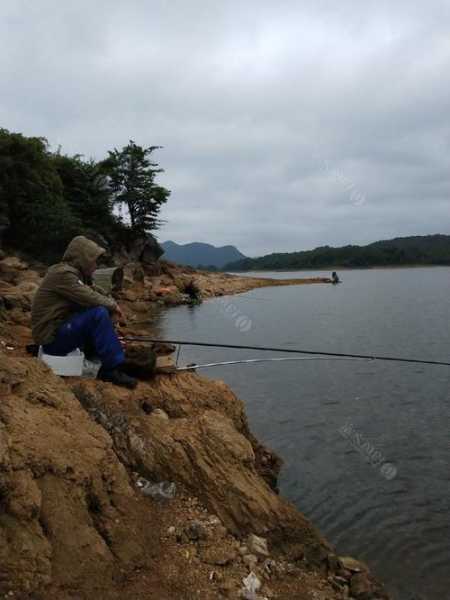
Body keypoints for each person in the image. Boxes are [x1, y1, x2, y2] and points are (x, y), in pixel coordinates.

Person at [31, 235, 137, 389]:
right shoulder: (63, 274)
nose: (95, 265)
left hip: (58, 331)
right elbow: (89, 296)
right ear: (82, 259)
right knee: (98, 312)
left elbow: (94, 290)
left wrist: (110, 303)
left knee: (97, 312)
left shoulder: (75, 275)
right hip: (51, 338)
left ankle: (101, 354)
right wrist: (114, 306)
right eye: (93, 261)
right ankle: (111, 369)